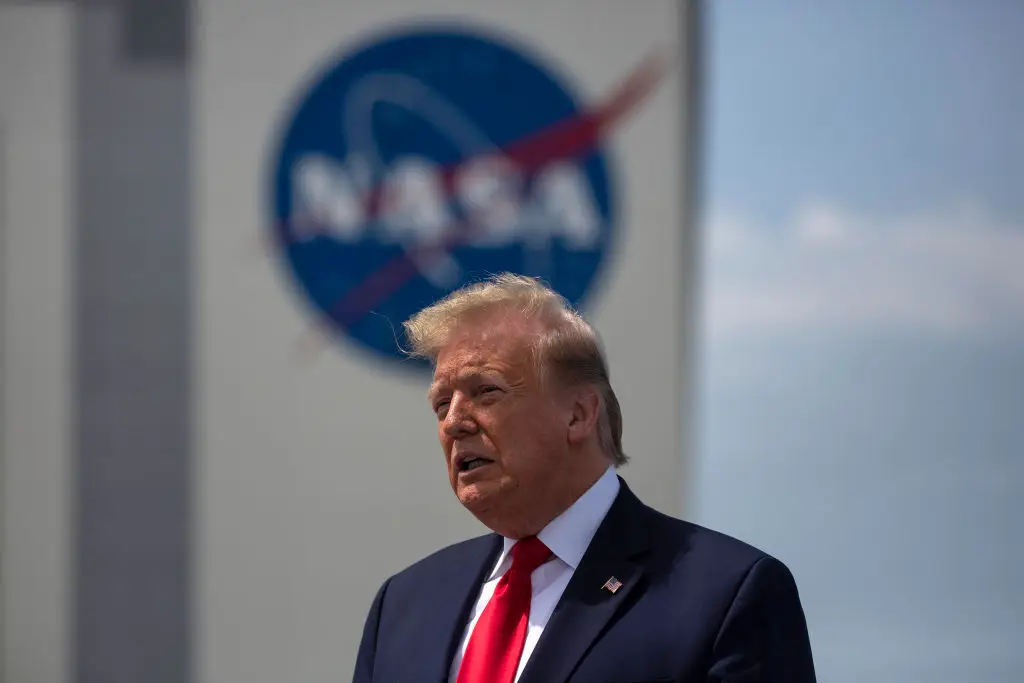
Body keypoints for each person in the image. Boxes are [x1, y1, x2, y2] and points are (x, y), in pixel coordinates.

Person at [352, 273, 816, 683]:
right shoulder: (404, 606)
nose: (453, 422)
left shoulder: (726, 596)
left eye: (485, 391)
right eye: (440, 405)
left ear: (578, 414)